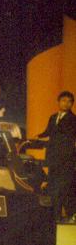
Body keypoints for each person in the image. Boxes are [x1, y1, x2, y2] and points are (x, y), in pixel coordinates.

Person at [37, 91, 76, 222]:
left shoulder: (73, 119)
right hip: (53, 158)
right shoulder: (53, 117)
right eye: (64, 100)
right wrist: (36, 137)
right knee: (53, 187)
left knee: (62, 188)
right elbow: (48, 132)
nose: (66, 103)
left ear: (72, 104)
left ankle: (62, 216)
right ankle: (54, 217)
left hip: (66, 159)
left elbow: (62, 135)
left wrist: (48, 138)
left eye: (69, 101)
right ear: (58, 102)